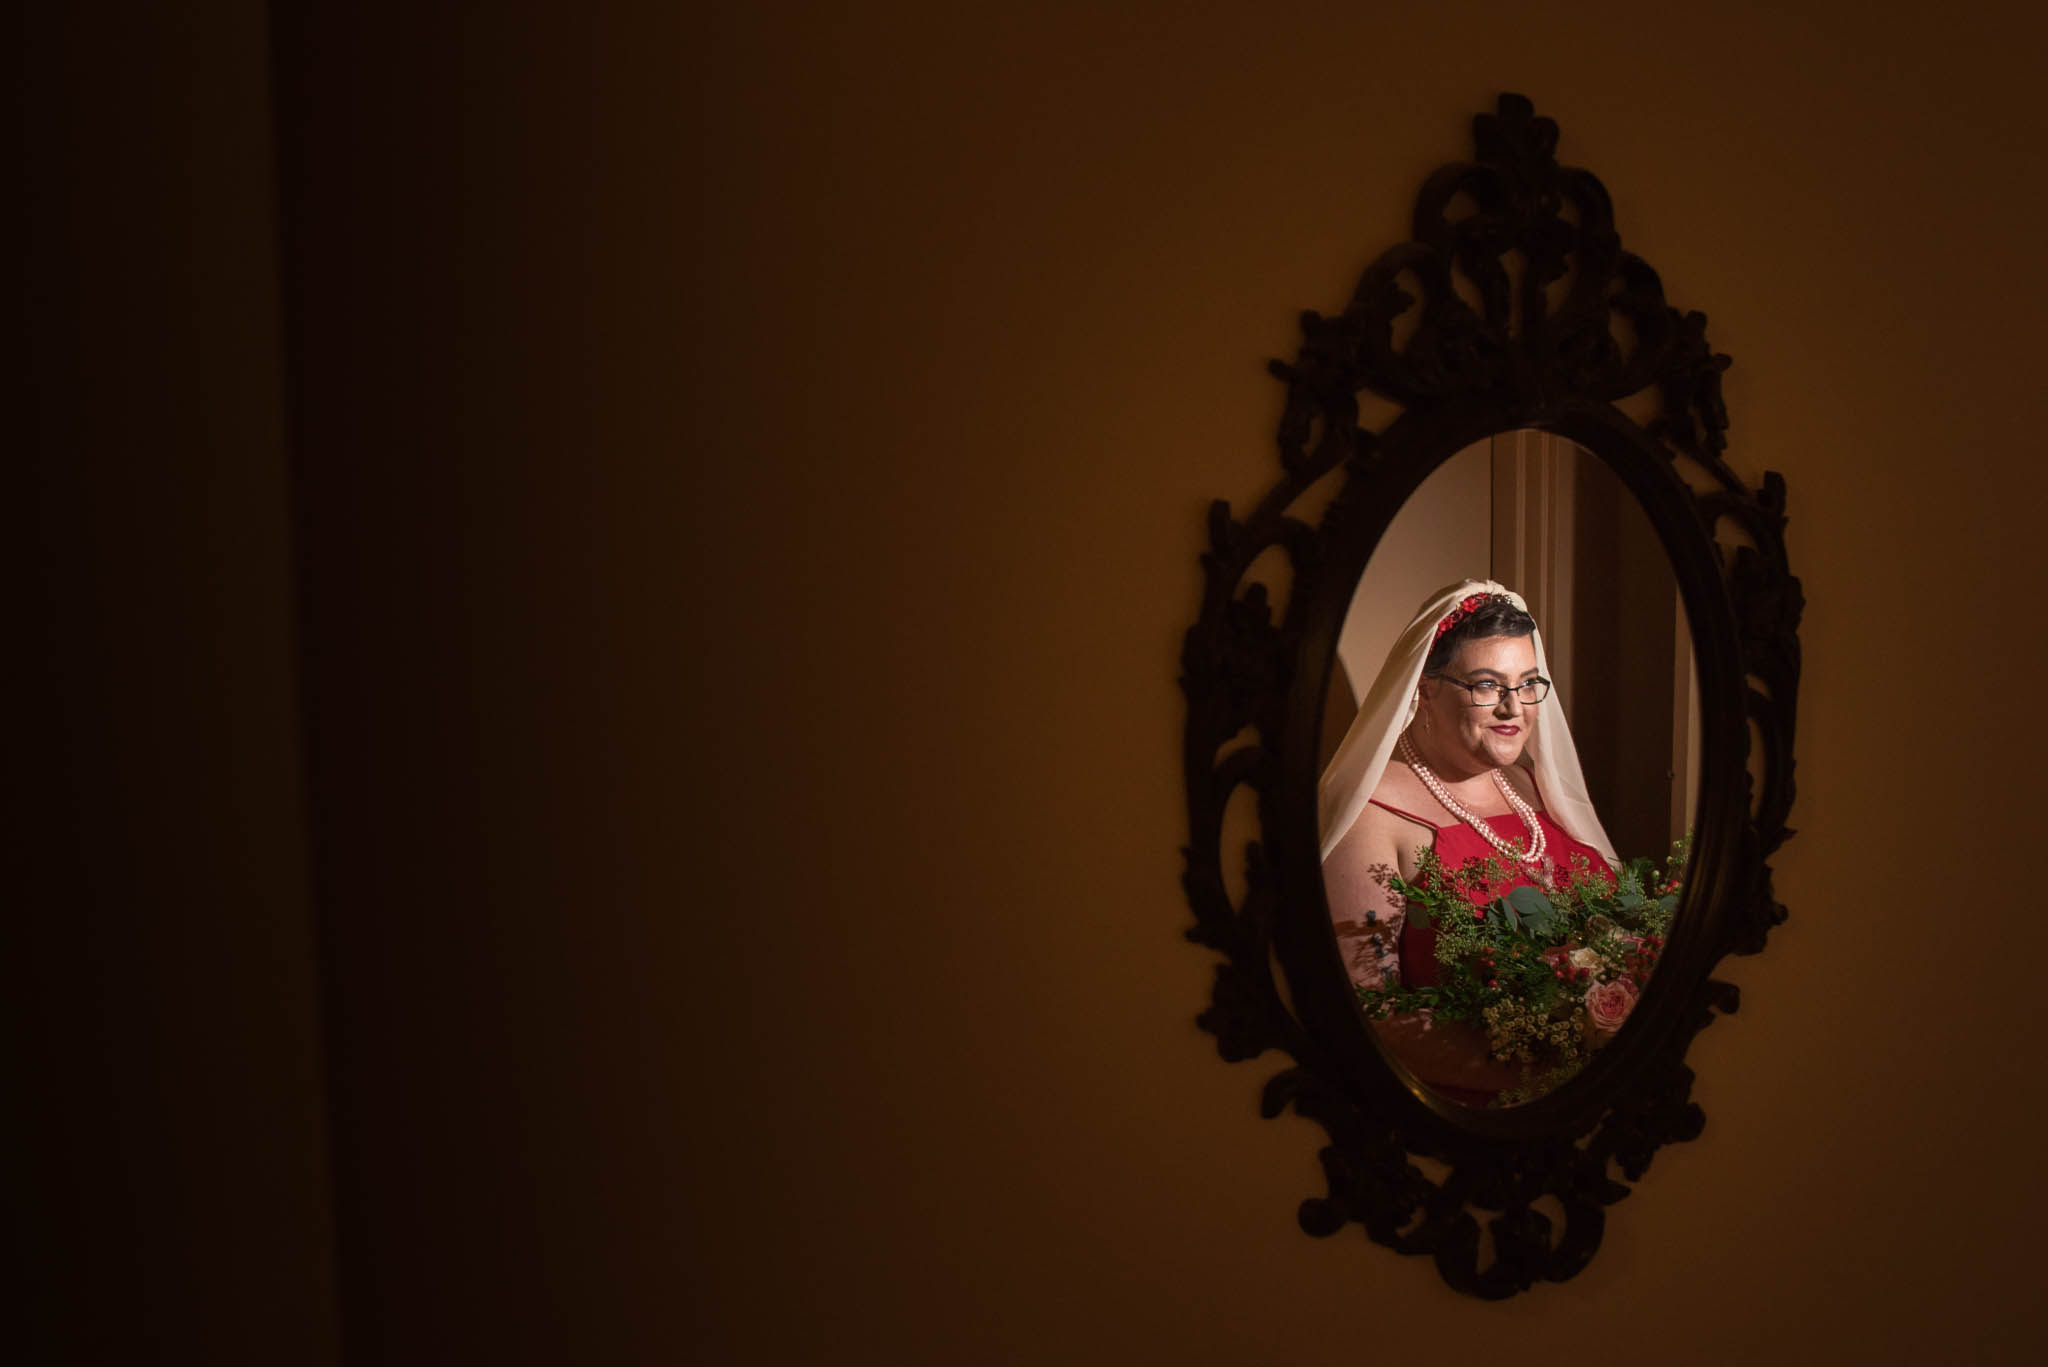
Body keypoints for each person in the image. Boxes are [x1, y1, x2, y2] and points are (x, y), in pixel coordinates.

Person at [1320, 580, 1618, 1105]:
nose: (1513, 708)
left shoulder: (1530, 785)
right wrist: (1552, 1070)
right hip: (1470, 1112)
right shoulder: (1371, 816)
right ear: (1426, 687)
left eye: (1528, 684)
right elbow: (1368, 1016)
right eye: (1487, 685)